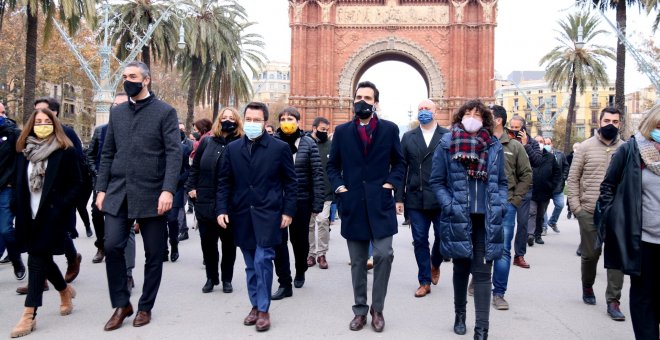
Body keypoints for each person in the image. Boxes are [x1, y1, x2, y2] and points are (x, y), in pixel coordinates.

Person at [95, 61, 181, 330]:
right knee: (111, 246)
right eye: (124, 76)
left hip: (153, 192)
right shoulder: (117, 113)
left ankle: (145, 306)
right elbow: (108, 153)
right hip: (119, 192)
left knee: (154, 253)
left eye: (132, 76)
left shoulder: (165, 112)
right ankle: (122, 304)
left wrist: (168, 189)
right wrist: (101, 188)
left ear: (147, 80)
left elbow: (173, 153)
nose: (127, 80)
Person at [326, 81, 405, 333]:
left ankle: (377, 308)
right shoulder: (341, 131)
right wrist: (340, 188)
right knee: (358, 261)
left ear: (375, 102)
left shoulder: (390, 130)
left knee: (384, 254)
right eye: (358, 97)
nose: (362, 101)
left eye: (367, 98)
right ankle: (360, 310)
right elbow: (332, 166)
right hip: (353, 204)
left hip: (380, 204)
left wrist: (390, 184)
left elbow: (400, 163)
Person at [429, 99, 507, 340]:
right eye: (468, 113)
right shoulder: (446, 143)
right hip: (458, 217)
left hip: (486, 220)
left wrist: (500, 204)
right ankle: (460, 314)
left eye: (477, 114)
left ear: (485, 119)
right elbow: (437, 181)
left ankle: (482, 329)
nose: (472, 117)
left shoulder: (494, 146)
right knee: (461, 268)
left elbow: (502, 182)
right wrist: (449, 205)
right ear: (460, 116)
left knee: (483, 274)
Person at [216, 102, 297, 332]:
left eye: (257, 120)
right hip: (241, 215)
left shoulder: (279, 148)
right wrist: (221, 210)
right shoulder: (232, 149)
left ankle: (263, 309)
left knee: (263, 261)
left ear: (265, 122)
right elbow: (224, 182)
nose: (252, 123)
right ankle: (255, 305)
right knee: (251, 265)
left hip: (269, 215)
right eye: (248, 119)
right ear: (244, 120)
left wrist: (288, 211)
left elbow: (291, 183)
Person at [10, 108, 81, 337]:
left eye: (46, 121)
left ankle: (29, 315)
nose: (42, 125)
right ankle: (64, 290)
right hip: (27, 215)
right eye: (37, 121)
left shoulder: (65, 151)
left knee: (36, 259)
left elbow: (77, 184)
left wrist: (61, 206)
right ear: (31, 125)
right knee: (42, 257)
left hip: (51, 216)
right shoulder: (24, 151)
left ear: (54, 124)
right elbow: (17, 182)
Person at [597, 106, 660, 339]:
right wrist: (613, 219)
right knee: (643, 297)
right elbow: (608, 187)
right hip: (642, 240)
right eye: (659, 127)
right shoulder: (631, 150)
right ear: (650, 126)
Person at [567, 107, 625, 320]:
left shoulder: (626, 149)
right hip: (590, 211)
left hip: (617, 213)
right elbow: (572, 179)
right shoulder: (584, 147)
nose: (611, 124)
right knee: (591, 254)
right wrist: (577, 208)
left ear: (620, 124)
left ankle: (613, 301)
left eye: (615, 121)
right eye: (607, 120)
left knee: (616, 257)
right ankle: (587, 286)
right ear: (599, 122)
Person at [395, 99, 449, 298]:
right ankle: (424, 280)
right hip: (416, 197)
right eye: (420, 109)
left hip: (442, 197)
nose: (423, 111)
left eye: (427, 108)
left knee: (443, 237)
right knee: (419, 239)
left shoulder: (448, 136)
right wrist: (398, 198)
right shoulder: (409, 137)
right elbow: (401, 169)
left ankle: (435, 263)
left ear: (436, 111)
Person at [186, 107, 242, 294]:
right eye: (224, 117)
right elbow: (195, 169)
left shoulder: (241, 143)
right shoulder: (207, 142)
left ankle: (227, 279)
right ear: (218, 120)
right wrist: (191, 188)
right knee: (208, 244)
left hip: (230, 203)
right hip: (205, 200)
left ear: (237, 121)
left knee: (228, 244)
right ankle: (211, 277)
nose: (227, 121)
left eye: (231, 118)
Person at [271, 107, 324, 300]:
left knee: (299, 241)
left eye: (290, 118)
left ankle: (300, 269)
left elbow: (317, 174)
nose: (286, 121)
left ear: (298, 121)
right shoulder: (272, 143)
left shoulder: (308, 143)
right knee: (278, 241)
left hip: (301, 200)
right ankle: (284, 281)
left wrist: (317, 203)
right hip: (277, 201)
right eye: (283, 118)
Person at [490, 105, 532, 310]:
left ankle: (499, 293)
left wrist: (515, 201)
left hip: (506, 205)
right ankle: (477, 279)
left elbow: (526, 175)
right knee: (478, 247)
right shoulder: (479, 142)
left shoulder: (515, 147)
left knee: (503, 250)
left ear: (498, 120)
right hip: (482, 204)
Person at [87, 92, 129, 264]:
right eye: (115, 105)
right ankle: (101, 246)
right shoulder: (100, 131)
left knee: (123, 220)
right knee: (97, 212)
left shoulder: (133, 131)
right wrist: (97, 173)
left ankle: (125, 265)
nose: (118, 109)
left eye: (123, 105)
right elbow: (90, 155)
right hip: (103, 182)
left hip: (124, 184)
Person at [507, 115, 543, 268]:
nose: (514, 131)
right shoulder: (504, 140)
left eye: (517, 128)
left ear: (523, 128)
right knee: (505, 224)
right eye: (512, 127)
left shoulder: (532, 142)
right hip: (507, 188)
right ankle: (502, 253)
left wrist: (525, 145)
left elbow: (537, 162)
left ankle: (519, 255)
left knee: (522, 223)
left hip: (525, 189)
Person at [0, 103, 26, 281]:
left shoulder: (12, 133)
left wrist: (13, 183)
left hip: (6, 188)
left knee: (6, 230)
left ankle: (16, 260)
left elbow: (20, 162)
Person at [307, 116, 333, 269]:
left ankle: (322, 254)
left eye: (327, 130)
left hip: (325, 192)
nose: (325, 132)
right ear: (314, 128)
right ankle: (311, 254)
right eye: (322, 129)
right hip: (307, 192)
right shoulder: (306, 144)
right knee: (309, 225)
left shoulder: (331, 146)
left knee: (323, 222)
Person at [163, 130, 191, 262]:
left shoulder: (184, 149)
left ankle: (174, 244)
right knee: (160, 221)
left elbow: (188, 170)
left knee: (172, 219)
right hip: (158, 188)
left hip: (176, 189)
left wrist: (178, 180)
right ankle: (163, 249)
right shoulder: (157, 147)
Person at [527, 136, 561, 246]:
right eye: (537, 141)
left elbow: (557, 172)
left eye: (541, 141)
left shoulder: (550, 157)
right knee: (532, 212)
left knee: (540, 214)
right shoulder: (529, 155)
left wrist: (552, 185)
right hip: (531, 189)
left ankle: (538, 235)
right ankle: (530, 234)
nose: (540, 143)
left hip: (545, 190)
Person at [542, 137, 569, 234]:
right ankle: (544, 226)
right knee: (543, 208)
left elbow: (566, 166)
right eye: (545, 143)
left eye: (548, 143)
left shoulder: (560, 154)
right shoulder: (540, 154)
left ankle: (552, 221)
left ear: (552, 144)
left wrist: (564, 177)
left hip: (557, 186)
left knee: (560, 204)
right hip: (545, 186)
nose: (547, 145)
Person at [566, 142, 580, 220]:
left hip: (580, 178)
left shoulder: (582, 156)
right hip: (571, 177)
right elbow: (567, 166)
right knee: (571, 194)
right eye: (575, 148)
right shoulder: (569, 157)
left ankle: (576, 212)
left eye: (578, 148)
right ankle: (569, 210)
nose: (576, 149)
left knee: (578, 195)